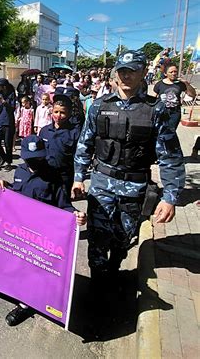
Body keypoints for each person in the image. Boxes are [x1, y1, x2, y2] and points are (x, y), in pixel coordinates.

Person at [72, 50, 185, 291]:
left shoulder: (156, 110)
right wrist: (79, 177)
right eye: (121, 71)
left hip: (134, 188)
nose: (125, 76)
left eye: (131, 71)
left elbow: (170, 155)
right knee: (97, 239)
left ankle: (113, 271)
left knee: (123, 238)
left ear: (143, 73)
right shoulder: (99, 106)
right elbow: (85, 143)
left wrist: (170, 197)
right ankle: (98, 286)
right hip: (102, 183)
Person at [0, 135, 86, 326]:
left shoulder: (53, 176)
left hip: (41, 234)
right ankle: (21, 292)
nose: (35, 162)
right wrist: (6, 187)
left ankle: (25, 305)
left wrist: (76, 215)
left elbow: (64, 205)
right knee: (19, 264)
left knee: (35, 269)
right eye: (31, 158)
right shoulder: (20, 171)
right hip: (20, 229)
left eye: (38, 158)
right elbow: (18, 193)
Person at [40, 94, 81, 197]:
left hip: (65, 177)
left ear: (69, 113)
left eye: (62, 113)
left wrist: (78, 180)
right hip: (46, 175)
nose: (58, 116)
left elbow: (78, 157)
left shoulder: (74, 132)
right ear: (52, 111)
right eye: (56, 112)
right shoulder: (44, 131)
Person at [153, 64, 197, 129]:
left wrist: (186, 83)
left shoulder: (180, 84)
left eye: (175, 71)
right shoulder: (159, 84)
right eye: (171, 72)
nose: (173, 73)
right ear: (165, 74)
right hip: (161, 111)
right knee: (159, 129)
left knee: (171, 131)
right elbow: (153, 98)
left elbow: (192, 94)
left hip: (175, 112)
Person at [0, 78, 16, 169]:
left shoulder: (11, 95)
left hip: (8, 122)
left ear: (4, 87)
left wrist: (5, 102)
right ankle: (4, 157)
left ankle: (8, 163)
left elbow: (12, 108)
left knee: (8, 144)